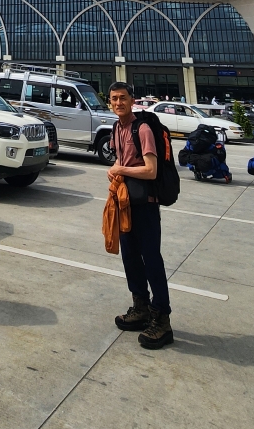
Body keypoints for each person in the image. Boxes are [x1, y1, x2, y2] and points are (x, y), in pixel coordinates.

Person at [107, 81, 173, 349]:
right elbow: (119, 159)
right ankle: (141, 307)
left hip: (145, 204)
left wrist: (121, 170)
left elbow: (151, 170)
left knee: (151, 259)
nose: (118, 103)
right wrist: (115, 169)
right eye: (114, 99)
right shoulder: (116, 128)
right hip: (125, 204)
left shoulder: (142, 129)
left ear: (132, 101)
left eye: (123, 98)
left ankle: (162, 319)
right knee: (130, 257)